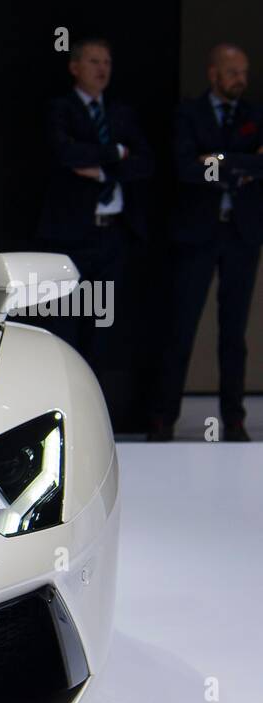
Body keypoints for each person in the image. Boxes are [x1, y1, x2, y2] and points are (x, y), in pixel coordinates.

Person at [153, 43, 263, 442]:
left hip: (240, 234)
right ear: (214, 73)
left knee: (234, 333)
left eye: (245, 73)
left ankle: (233, 419)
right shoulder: (189, 112)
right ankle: (164, 416)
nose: (241, 80)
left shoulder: (253, 114)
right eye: (233, 72)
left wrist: (216, 160)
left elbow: (253, 164)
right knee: (181, 326)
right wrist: (239, 164)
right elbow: (185, 167)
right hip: (197, 232)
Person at [35, 38, 152, 408]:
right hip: (70, 236)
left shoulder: (119, 113)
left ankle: (96, 410)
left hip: (111, 235)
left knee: (102, 328)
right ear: (75, 67)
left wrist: (100, 172)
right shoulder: (61, 109)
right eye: (93, 61)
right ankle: (62, 406)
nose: (102, 68)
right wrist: (116, 153)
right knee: (66, 321)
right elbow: (65, 154)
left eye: (107, 62)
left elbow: (145, 162)